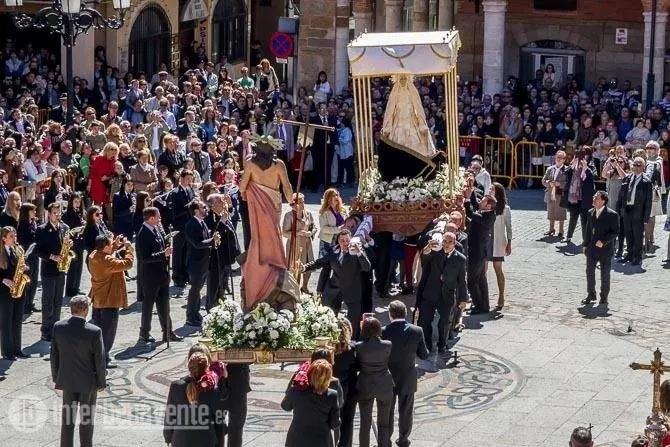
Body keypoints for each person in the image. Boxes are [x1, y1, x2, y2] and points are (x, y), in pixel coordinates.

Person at [238, 136, 297, 311]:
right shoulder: (278, 164)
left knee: (259, 234)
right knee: (273, 232)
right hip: (273, 203)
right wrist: (293, 200)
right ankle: (273, 258)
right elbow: (287, 188)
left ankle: (261, 257)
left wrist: (246, 193)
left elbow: (243, 185)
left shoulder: (250, 163)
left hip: (257, 204)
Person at [50, 296, 106, 447]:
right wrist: (101, 383)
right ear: (86, 310)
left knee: (67, 421)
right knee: (86, 421)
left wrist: (57, 377)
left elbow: (54, 355)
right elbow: (100, 361)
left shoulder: (58, 327)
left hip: (67, 380)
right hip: (88, 383)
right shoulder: (95, 331)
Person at [303, 229, 371, 339]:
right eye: (342, 241)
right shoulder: (333, 251)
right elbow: (319, 262)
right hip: (334, 289)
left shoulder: (358, 251)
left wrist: (359, 252)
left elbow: (367, 267)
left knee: (353, 321)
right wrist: (304, 267)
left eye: (347, 240)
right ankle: (330, 339)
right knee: (328, 317)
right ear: (338, 242)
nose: (345, 243)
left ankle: (351, 342)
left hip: (352, 289)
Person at [382, 301, 429, 447]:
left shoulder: (383, 331)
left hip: (388, 377)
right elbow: (424, 355)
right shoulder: (417, 331)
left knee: (387, 411)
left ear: (390, 314)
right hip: (408, 376)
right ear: (405, 313)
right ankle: (403, 439)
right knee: (406, 410)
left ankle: (385, 440)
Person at [135, 206, 182, 344]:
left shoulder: (156, 230)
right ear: (151, 218)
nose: (160, 218)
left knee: (164, 305)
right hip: (150, 276)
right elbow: (145, 257)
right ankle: (144, 334)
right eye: (158, 216)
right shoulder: (143, 234)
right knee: (148, 306)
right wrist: (163, 254)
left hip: (162, 274)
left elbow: (161, 246)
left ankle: (167, 331)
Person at [88, 234, 134, 368]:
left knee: (99, 331)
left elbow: (107, 252)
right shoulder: (107, 261)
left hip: (98, 300)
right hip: (109, 300)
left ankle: (102, 357)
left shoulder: (94, 255)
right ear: (105, 247)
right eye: (110, 244)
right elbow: (127, 264)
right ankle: (102, 360)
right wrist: (129, 249)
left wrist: (114, 244)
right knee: (108, 334)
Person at [163, 351, 222, 447]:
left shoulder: (176, 386)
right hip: (206, 440)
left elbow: (170, 415)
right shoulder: (212, 390)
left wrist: (168, 437)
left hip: (180, 440)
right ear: (206, 368)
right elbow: (219, 420)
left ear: (189, 366)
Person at [281, 359, 340, 447]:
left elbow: (285, 406)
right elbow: (334, 424)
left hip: (297, 439)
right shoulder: (332, 395)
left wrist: (293, 384)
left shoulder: (296, 390)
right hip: (321, 440)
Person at [356, 317, 393, 447]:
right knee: (384, 423)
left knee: (364, 423)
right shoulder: (387, 344)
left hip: (366, 385)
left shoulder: (359, 347)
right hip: (384, 384)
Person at [36, 202, 69, 342]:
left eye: (59, 212)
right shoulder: (42, 229)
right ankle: (45, 330)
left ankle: (56, 327)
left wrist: (69, 246)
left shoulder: (64, 227)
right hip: (48, 269)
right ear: (49, 214)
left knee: (58, 300)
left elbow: (65, 244)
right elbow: (38, 251)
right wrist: (52, 256)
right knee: (48, 300)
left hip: (61, 269)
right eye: (55, 213)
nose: (57, 215)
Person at [184, 199, 219, 326]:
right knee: (195, 289)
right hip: (195, 263)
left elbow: (206, 238)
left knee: (198, 289)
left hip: (204, 262)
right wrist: (212, 240)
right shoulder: (191, 225)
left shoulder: (202, 222)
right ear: (196, 211)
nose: (206, 209)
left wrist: (212, 239)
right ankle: (191, 316)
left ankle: (196, 313)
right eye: (203, 207)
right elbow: (197, 243)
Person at [582, 191, 619, 307]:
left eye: (596, 198)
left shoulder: (612, 215)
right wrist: (585, 244)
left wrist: (603, 241)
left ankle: (604, 297)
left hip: (605, 250)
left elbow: (615, 232)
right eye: (594, 197)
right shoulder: (590, 212)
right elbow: (588, 230)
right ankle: (591, 294)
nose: (593, 199)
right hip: (592, 249)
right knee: (589, 272)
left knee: (605, 274)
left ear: (603, 201)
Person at [204, 193, 239, 310]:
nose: (223, 203)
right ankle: (211, 306)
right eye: (220, 202)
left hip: (226, 255)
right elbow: (212, 234)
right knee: (214, 283)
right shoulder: (209, 217)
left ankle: (221, 304)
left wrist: (229, 205)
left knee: (223, 283)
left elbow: (232, 217)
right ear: (213, 205)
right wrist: (222, 222)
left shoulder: (222, 214)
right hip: (216, 256)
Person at [0, 226, 28, 360]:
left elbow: (22, 266)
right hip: (4, 292)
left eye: (15, 235)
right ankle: (7, 352)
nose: (14, 238)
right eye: (11, 236)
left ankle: (17, 349)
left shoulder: (17, 250)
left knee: (17, 320)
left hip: (18, 290)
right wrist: (4, 280)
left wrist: (24, 268)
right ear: (3, 238)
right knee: (6, 322)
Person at [618, 156, 652, 266]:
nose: (636, 167)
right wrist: (620, 209)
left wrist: (646, 218)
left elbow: (648, 201)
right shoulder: (628, 178)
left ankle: (638, 257)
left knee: (637, 235)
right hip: (627, 210)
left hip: (638, 211)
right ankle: (629, 254)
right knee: (628, 233)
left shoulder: (646, 181)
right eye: (634, 165)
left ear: (643, 167)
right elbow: (621, 195)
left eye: (638, 165)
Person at [282, 193, 317, 294]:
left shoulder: (308, 213)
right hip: (295, 246)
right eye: (300, 202)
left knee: (309, 267)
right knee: (295, 269)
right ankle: (295, 290)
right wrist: (297, 234)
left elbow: (313, 226)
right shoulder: (289, 216)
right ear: (293, 204)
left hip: (307, 244)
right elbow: (284, 232)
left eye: (303, 202)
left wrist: (311, 232)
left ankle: (304, 287)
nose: (302, 204)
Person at [561, 149, 596, 244]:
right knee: (573, 217)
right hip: (574, 198)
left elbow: (593, 177)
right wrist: (572, 165)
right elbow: (565, 174)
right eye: (577, 156)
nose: (580, 159)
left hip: (584, 198)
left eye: (582, 156)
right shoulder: (573, 167)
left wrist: (586, 168)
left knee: (584, 220)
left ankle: (586, 240)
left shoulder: (591, 165)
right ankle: (568, 236)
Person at [333, 317, 357, 447]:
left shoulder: (329, 348)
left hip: (330, 388)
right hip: (348, 389)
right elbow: (357, 366)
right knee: (347, 421)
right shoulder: (352, 348)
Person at [317, 188, 346, 294]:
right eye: (334, 195)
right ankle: (320, 291)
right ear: (328, 198)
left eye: (337, 195)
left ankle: (336, 291)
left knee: (338, 267)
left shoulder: (342, 210)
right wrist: (338, 229)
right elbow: (323, 228)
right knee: (326, 267)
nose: (336, 197)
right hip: (327, 243)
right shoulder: (324, 212)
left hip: (339, 243)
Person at [170, 169, 196, 287]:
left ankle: (185, 274)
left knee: (187, 250)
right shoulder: (175, 192)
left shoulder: (190, 189)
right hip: (179, 225)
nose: (189, 181)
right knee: (178, 251)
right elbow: (176, 211)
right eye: (187, 179)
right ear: (181, 178)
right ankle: (177, 276)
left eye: (191, 179)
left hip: (189, 224)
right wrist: (189, 206)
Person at [489, 182, 512, 311]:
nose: (490, 190)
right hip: (487, 242)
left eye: (492, 189)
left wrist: (509, 243)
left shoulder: (505, 209)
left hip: (498, 242)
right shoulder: (486, 204)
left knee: (498, 270)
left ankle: (501, 295)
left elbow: (509, 227)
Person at [62, 193, 85, 297]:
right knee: (73, 268)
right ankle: (70, 290)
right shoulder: (67, 215)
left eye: (79, 202)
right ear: (71, 202)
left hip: (79, 243)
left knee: (79, 267)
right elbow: (66, 231)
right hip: (72, 245)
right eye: (75, 202)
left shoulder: (79, 213)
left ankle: (76, 287)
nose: (78, 204)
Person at [17, 203, 39, 314]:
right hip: (27, 256)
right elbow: (23, 240)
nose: (35, 212)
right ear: (27, 212)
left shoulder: (34, 223)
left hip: (35, 254)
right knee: (28, 281)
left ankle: (30, 302)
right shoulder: (22, 225)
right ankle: (25, 304)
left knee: (34, 280)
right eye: (32, 211)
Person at [541, 150, 567, 237]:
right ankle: (551, 229)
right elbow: (543, 181)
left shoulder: (566, 170)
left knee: (561, 211)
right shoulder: (550, 169)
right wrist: (548, 183)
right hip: (550, 192)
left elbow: (568, 183)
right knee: (551, 211)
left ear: (564, 160)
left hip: (560, 193)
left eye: (561, 158)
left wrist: (559, 184)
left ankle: (561, 231)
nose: (558, 159)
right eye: (557, 157)